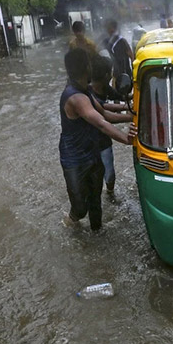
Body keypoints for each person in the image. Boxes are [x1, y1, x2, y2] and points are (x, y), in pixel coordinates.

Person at [59, 48, 135, 230]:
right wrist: (126, 139)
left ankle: (97, 234)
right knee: (80, 208)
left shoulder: (85, 91)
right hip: (74, 160)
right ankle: (70, 221)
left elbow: (105, 113)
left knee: (95, 202)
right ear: (86, 67)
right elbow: (100, 123)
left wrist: (133, 115)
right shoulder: (75, 97)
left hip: (92, 153)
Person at [89, 55, 131, 199]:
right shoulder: (88, 95)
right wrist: (132, 115)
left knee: (110, 173)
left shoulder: (105, 88)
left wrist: (131, 99)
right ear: (107, 75)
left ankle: (110, 193)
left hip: (103, 140)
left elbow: (118, 96)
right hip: (90, 141)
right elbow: (106, 114)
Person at [100, 19, 133, 88]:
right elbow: (99, 51)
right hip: (115, 72)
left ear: (114, 28)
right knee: (116, 91)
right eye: (107, 28)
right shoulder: (106, 41)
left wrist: (134, 69)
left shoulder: (122, 41)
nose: (108, 30)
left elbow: (131, 55)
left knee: (125, 90)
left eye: (109, 27)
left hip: (125, 71)